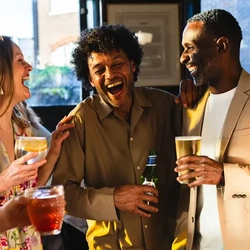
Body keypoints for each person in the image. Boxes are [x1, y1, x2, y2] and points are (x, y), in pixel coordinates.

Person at [51, 24, 182, 250]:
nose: (110, 75)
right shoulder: (79, 121)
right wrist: (112, 198)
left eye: (117, 64)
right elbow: (62, 196)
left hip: (170, 242)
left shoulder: (167, 106)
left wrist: (196, 90)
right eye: (99, 70)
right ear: (90, 79)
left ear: (132, 65)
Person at [174, 9, 250, 250]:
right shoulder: (191, 104)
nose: (183, 58)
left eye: (190, 47)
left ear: (222, 45)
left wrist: (223, 174)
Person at [0, 35, 74, 249]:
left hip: (27, 241)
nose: (29, 67)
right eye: (20, 61)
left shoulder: (22, 128)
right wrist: (4, 181)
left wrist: (53, 152)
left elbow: (28, 191)